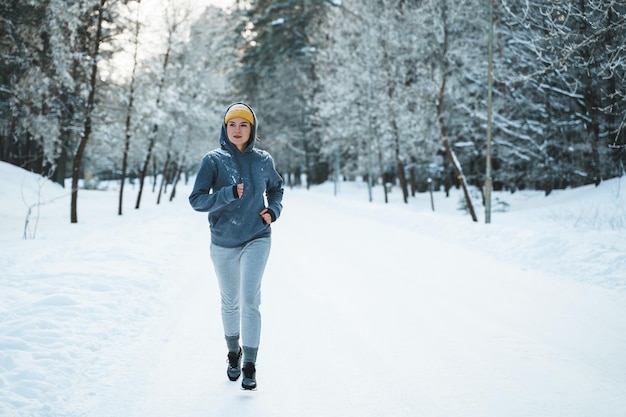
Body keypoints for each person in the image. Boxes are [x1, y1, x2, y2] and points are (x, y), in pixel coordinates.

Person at [189, 102, 284, 390]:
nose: (238, 129)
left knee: (250, 300)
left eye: (244, 124)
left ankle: (250, 364)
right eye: (232, 124)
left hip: (257, 236)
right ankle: (233, 353)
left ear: (252, 129)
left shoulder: (263, 160)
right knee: (230, 301)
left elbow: (276, 188)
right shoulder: (213, 161)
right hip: (223, 241)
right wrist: (227, 194)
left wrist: (273, 210)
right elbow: (196, 200)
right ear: (225, 127)